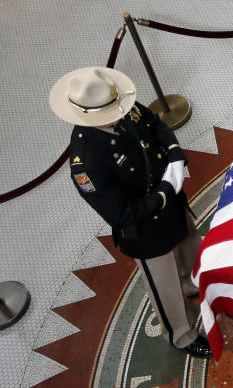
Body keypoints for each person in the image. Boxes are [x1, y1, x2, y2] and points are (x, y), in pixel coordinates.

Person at [49, 67, 212, 359]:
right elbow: (120, 215)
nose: (122, 113)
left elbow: (153, 121)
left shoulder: (118, 104)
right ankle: (182, 335)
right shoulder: (86, 162)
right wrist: (163, 193)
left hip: (171, 203)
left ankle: (194, 283)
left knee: (190, 247)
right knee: (165, 288)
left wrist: (174, 151)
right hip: (145, 228)